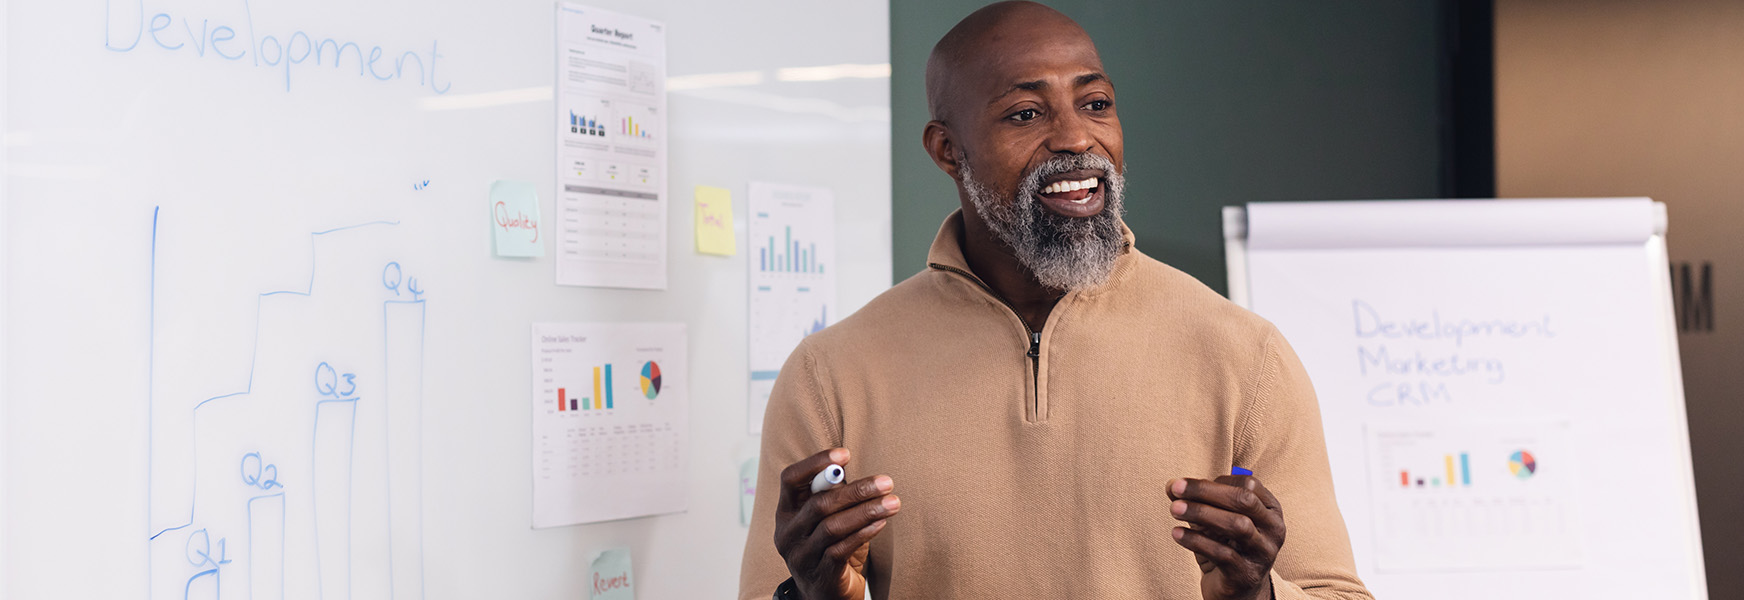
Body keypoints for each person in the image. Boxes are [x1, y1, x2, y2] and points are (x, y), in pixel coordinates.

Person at [739, 3, 1372, 599]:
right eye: (1025, 114)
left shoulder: (1246, 355)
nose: (1076, 138)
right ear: (947, 151)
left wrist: (1256, 592)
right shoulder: (831, 375)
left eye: (1096, 104)